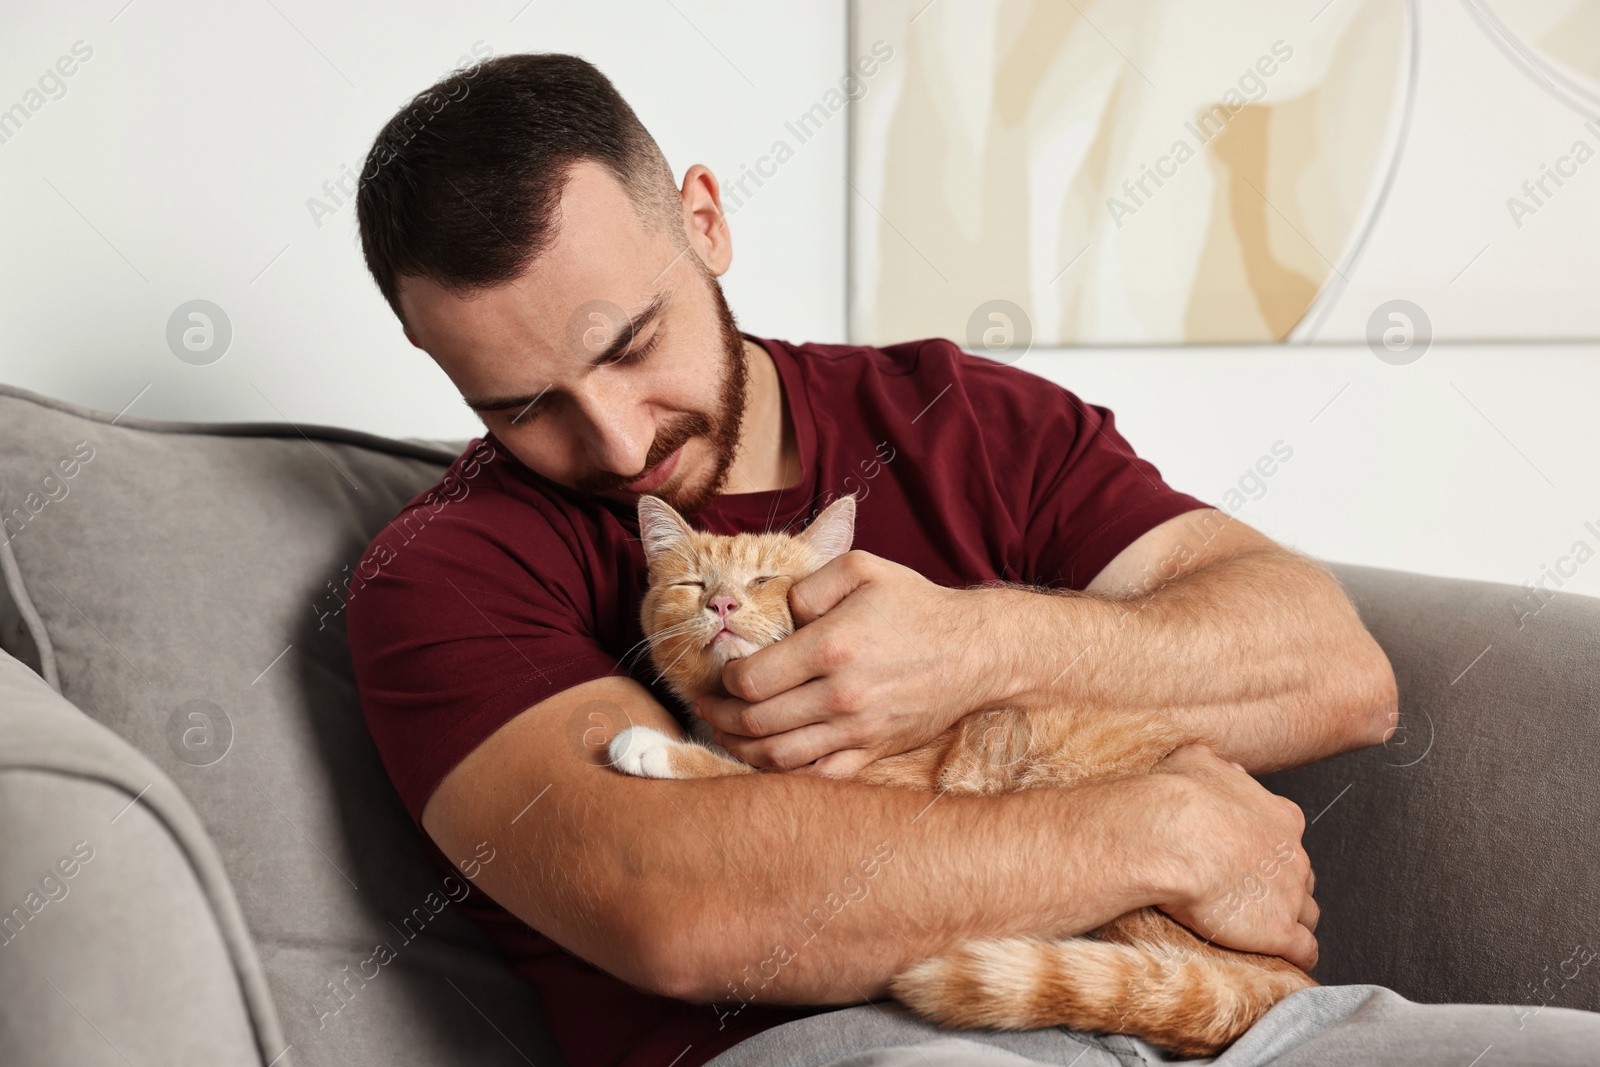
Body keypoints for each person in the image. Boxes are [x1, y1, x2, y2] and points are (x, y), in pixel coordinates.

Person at [346, 52, 1600, 1067]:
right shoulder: (446, 571)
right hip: (876, 1038)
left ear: (706, 221)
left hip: (1224, 1017)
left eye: (629, 342)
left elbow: (1333, 670)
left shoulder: (957, 417)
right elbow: (684, 904)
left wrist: (980, 641)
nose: (615, 444)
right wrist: (1157, 830)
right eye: (520, 405)